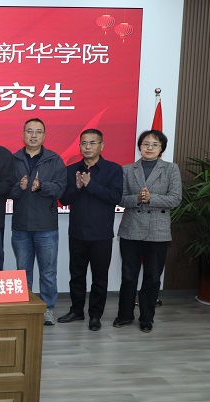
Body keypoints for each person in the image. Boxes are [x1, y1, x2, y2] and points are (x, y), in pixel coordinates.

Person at [114, 130, 181, 333]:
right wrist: (137, 198)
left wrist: (152, 198)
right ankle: (124, 315)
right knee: (128, 276)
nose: (149, 147)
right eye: (145, 144)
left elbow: (175, 198)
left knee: (152, 277)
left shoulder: (171, 169)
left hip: (158, 232)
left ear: (161, 149)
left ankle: (146, 318)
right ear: (139, 147)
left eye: (155, 144)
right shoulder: (127, 169)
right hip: (131, 229)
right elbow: (119, 198)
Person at [58, 129, 123, 331]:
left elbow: (115, 197)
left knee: (99, 278)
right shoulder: (71, 170)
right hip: (77, 232)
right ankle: (76, 310)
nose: (87, 147)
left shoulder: (113, 169)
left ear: (102, 146)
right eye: (84, 143)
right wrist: (77, 187)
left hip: (101, 234)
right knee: (76, 276)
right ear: (79, 147)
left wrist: (91, 185)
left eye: (92, 143)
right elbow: (64, 199)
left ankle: (95, 315)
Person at [9, 118, 67, 326]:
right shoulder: (13, 159)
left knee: (48, 272)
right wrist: (20, 187)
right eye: (29, 131)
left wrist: (42, 186)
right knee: (23, 271)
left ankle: (47, 309)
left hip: (46, 226)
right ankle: (25, 308)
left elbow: (61, 189)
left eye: (38, 132)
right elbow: (6, 189)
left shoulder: (54, 160)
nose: (33, 135)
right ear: (23, 134)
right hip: (21, 226)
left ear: (44, 135)